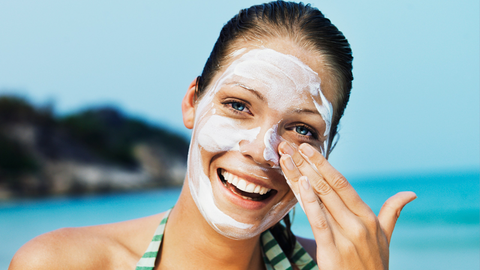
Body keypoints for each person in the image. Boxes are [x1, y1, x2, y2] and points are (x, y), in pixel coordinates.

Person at [9, 1, 416, 269]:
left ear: (327, 150)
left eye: (301, 129)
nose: (262, 151)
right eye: (239, 105)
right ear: (192, 102)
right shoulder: (60, 264)